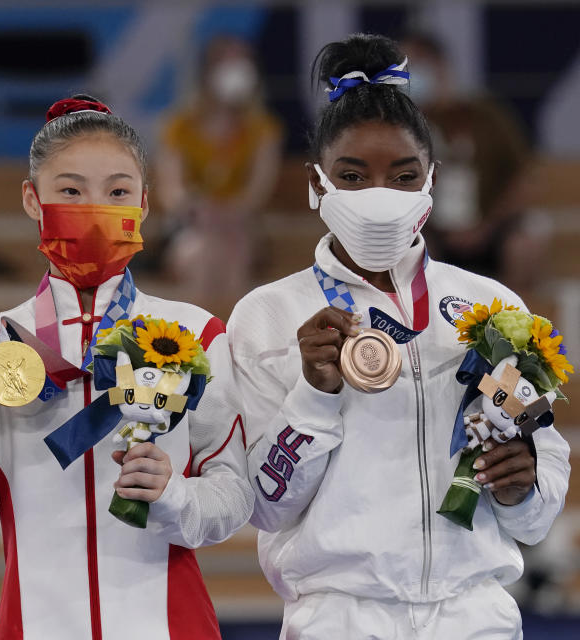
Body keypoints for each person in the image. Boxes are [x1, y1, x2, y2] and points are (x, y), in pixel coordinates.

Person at [228, 34, 570, 639]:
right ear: (317, 183)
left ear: (431, 181)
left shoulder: (495, 307)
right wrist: (314, 394)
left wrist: (523, 489)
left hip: (475, 614)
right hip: (339, 616)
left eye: (403, 176)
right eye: (353, 176)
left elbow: (538, 509)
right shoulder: (268, 316)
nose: (378, 198)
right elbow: (266, 505)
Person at [0, 95, 252, 639]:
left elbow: (235, 495)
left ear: (144, 204)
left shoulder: (195, 335)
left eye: (117, 192)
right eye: (70, 191)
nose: (94, 209)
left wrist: (176, 498)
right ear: (33, 199)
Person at [400, 31, 547, 294]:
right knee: (403, 248)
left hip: (491, 228)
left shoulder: (487, 115)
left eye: (416, 66)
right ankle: (422, 326)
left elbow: (522, 179)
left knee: (524, 244)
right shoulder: (402, 128)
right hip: (433, 232)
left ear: (440, 67)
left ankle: (513, 322)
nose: (410, 76)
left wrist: (485, 227)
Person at [157, 35, 283, 310]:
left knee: (233, 250)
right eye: (227, 61)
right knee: (201, 252)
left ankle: (230, 340)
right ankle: (199, 341)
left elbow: (258, 188)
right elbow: (171, 188)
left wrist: (231, 211)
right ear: (206, 71)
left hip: (242, 227)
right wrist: (194, 207)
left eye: (243, 61)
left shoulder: (262, 129)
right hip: (192, 225)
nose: (237, 68)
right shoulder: (180, 126)